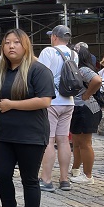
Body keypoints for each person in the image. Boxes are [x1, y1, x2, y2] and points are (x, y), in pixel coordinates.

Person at [0, 29, 54, 207]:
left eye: (16, 42)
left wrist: (12, 105)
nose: (11, 46)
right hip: (4, 134)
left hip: (31, 135)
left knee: (29, 179)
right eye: (7, 42)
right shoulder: (2, 71)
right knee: (1, 175)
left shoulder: (38, 70)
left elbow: (45, 100)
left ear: (25, 45)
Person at [37, 25, 77, 192]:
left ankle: (46, 179)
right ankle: (64, 179)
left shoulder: (48, 52)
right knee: (63, 140)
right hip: (68, 101)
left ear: (54, 37)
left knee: (49, 140)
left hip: (51, 101)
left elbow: (41, 74)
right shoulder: (74, 53)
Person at [69, 46, 102, 184]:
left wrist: (87, 94)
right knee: (77, 142)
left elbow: (97, 80)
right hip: (81, 108)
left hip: (86, 108)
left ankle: (88, 175)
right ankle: (76, 169)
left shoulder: (82, 69)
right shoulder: (79, 69)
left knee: (85, 143)